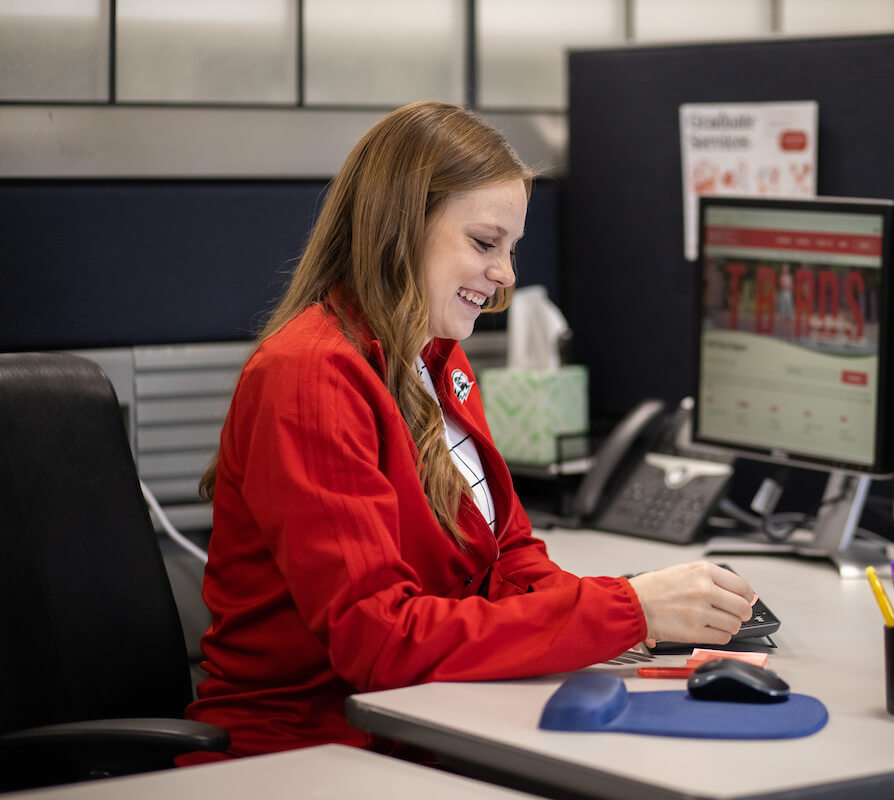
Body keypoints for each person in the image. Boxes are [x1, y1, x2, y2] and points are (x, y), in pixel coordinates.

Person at [181, 102, 756, 763]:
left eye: (511, 249)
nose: (507, 275)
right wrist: (627, 610)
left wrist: (642, 616)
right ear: (400, 229)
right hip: (308, 752)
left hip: (420, 722)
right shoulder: (310, 376)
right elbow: (379, 642)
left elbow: (507, 557)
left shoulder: (434, 359)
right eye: (485, 244)